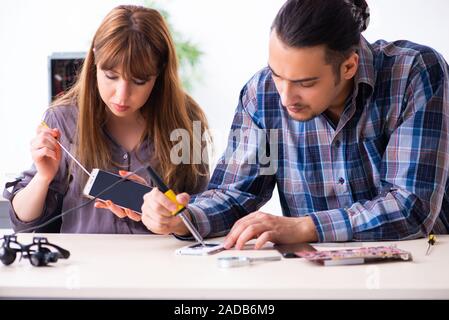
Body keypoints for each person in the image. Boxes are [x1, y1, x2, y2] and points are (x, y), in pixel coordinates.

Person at [141, 0, 449, 248]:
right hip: (313, 276)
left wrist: (304, 226)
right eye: (277, 74)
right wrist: (185, 217)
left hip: (419, 265)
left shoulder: (413, 73)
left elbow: (411, 208)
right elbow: (236, 192)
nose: (286, 97)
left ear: (349, 66)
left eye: (305, 82)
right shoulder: (261, 92)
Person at [3, 5, 210, 234]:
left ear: (159, 72)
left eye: (139, 81)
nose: (122, 95)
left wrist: (168, 214)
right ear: (94, 60)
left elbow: (206, 209)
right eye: (111, 76)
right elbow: (23, 222)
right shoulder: (63, 118)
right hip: (82, 267)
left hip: (162, 266)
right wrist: (44, 177)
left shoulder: (188, 120)